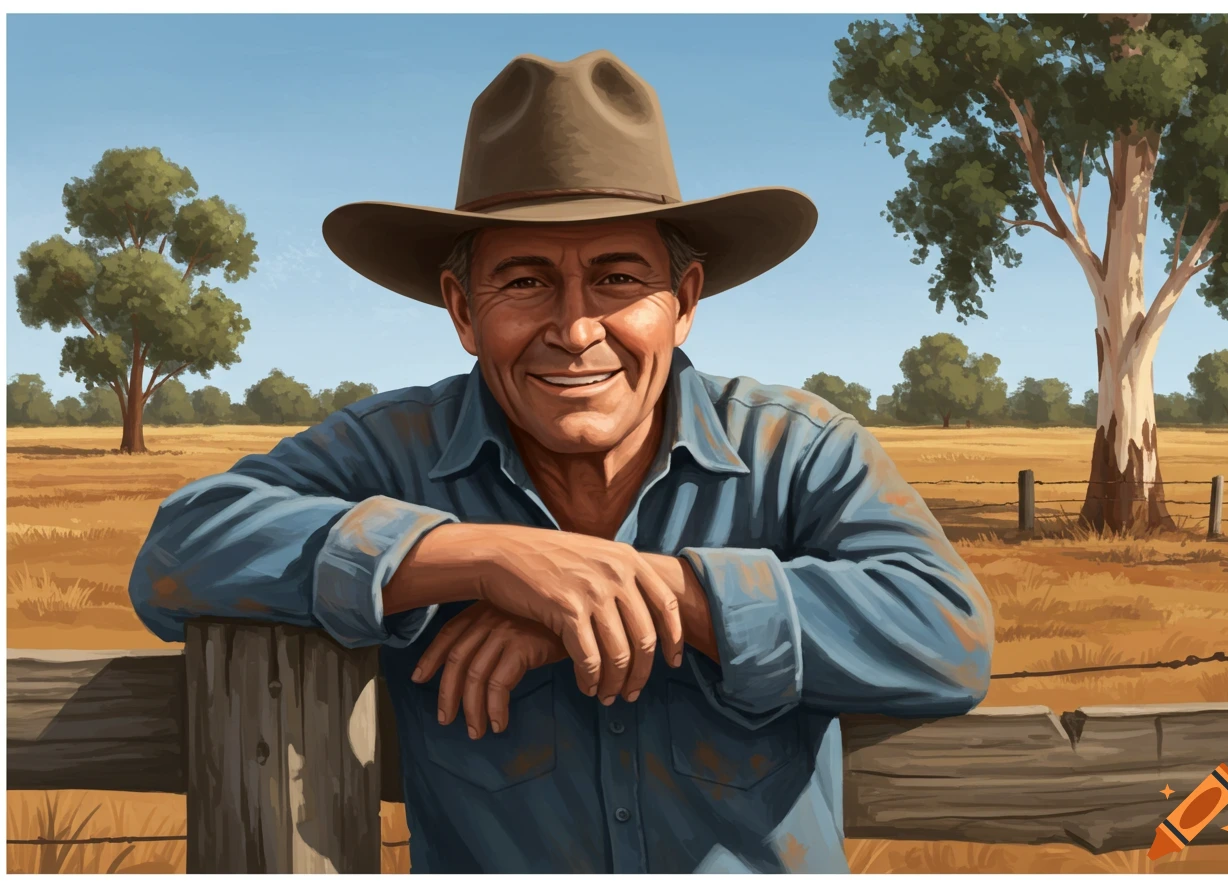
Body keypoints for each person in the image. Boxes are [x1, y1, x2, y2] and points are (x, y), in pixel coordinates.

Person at [130, 49, 993, 874]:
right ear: (463, 310)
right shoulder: (398, 447)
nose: (576, 331)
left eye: (618, 280)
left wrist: (645, 595)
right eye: (525, 282)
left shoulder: (792, 448)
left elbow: (947, 634)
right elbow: (180, 552)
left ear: (683, 300)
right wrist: (484, 558)